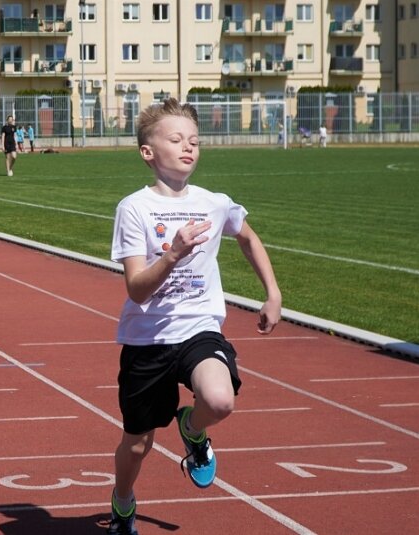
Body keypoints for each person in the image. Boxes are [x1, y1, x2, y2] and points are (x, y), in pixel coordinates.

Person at [107, 98, 282, 535]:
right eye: (176, 139)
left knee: (221, 399)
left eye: (195, 141)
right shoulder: (134, 208)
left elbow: (247, 238)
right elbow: (136, 288)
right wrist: (175, 254)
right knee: (138, 445)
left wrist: (273, 293)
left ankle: (192, 426)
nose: (188, 147)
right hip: (148, 339)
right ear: (148, 152)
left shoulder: (214, 202)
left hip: (200, 327)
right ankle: (123, 502)